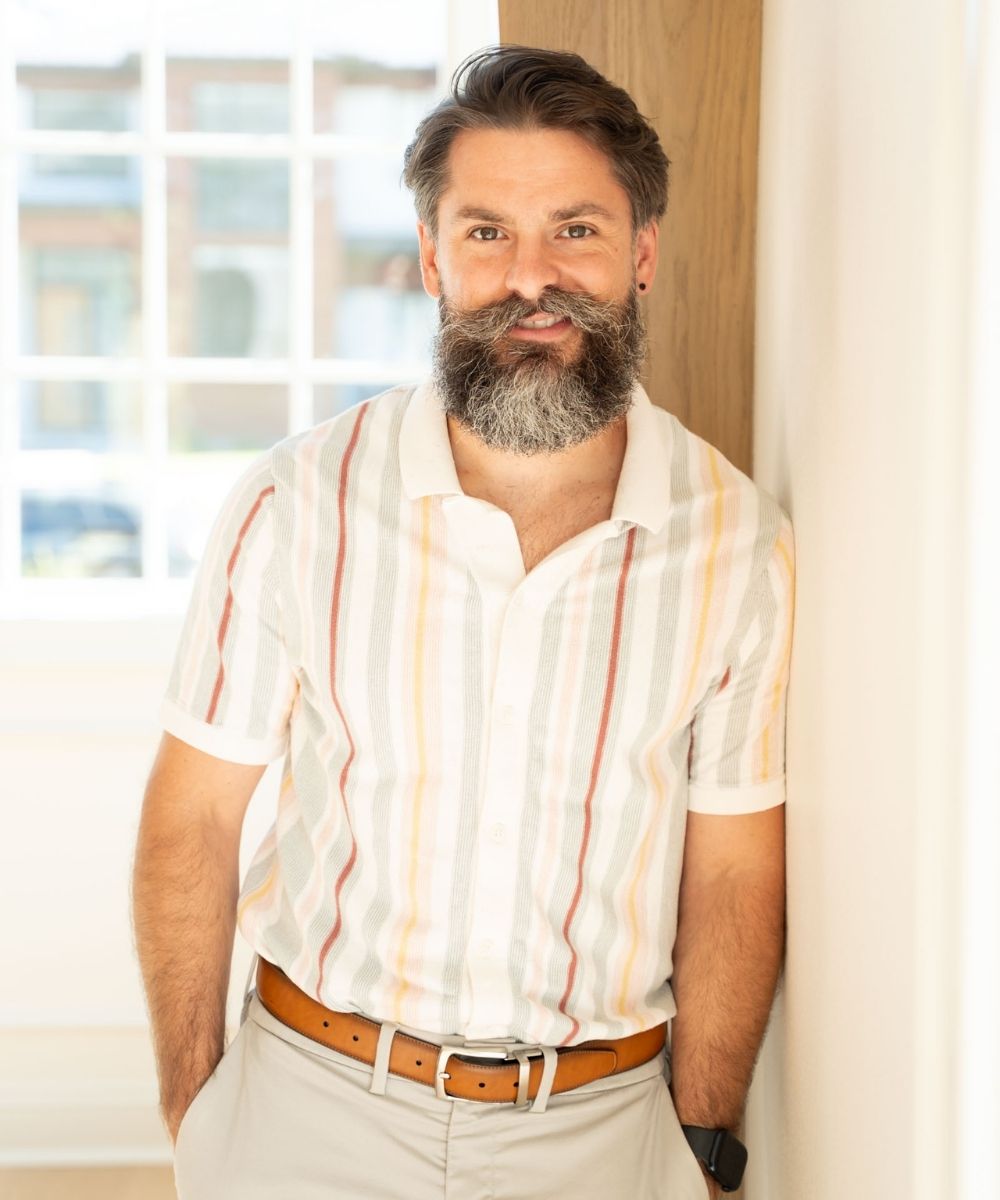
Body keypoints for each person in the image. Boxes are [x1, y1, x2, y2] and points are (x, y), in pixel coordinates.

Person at [133, 45, 794, 1200]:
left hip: (601, 1134)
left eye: (575, 230)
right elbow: (192, 819)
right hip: (306, 1113)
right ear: (434, 256)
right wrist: (198, 1118)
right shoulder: (296, 503)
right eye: (486, 232)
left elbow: (734, 873)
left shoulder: (737, 541)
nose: (529, 277)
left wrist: (701, 1146)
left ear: (641, 255)